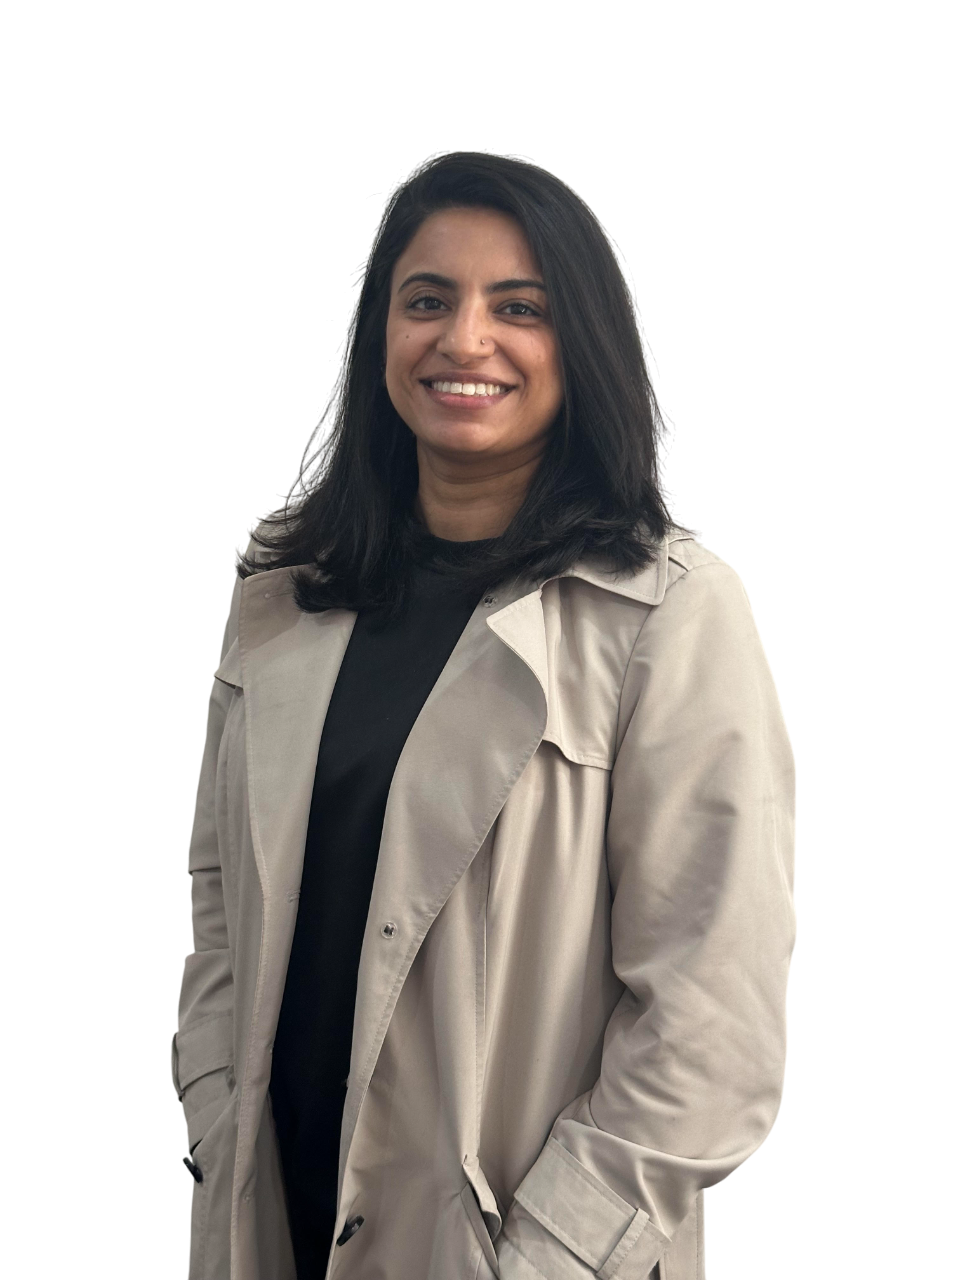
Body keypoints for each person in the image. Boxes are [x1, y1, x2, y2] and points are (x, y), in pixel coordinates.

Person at [170, 150, 797, 1280]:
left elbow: (716, 1018)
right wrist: (214, 1116)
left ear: (581, 345)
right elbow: (220, 897)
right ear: (380, 336)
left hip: (513, 1251)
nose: (464, 340)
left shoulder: (665, 615)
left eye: (520, 308)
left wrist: (548, 1254)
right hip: (270, 1226)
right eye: (428, 300)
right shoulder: (281, 598)